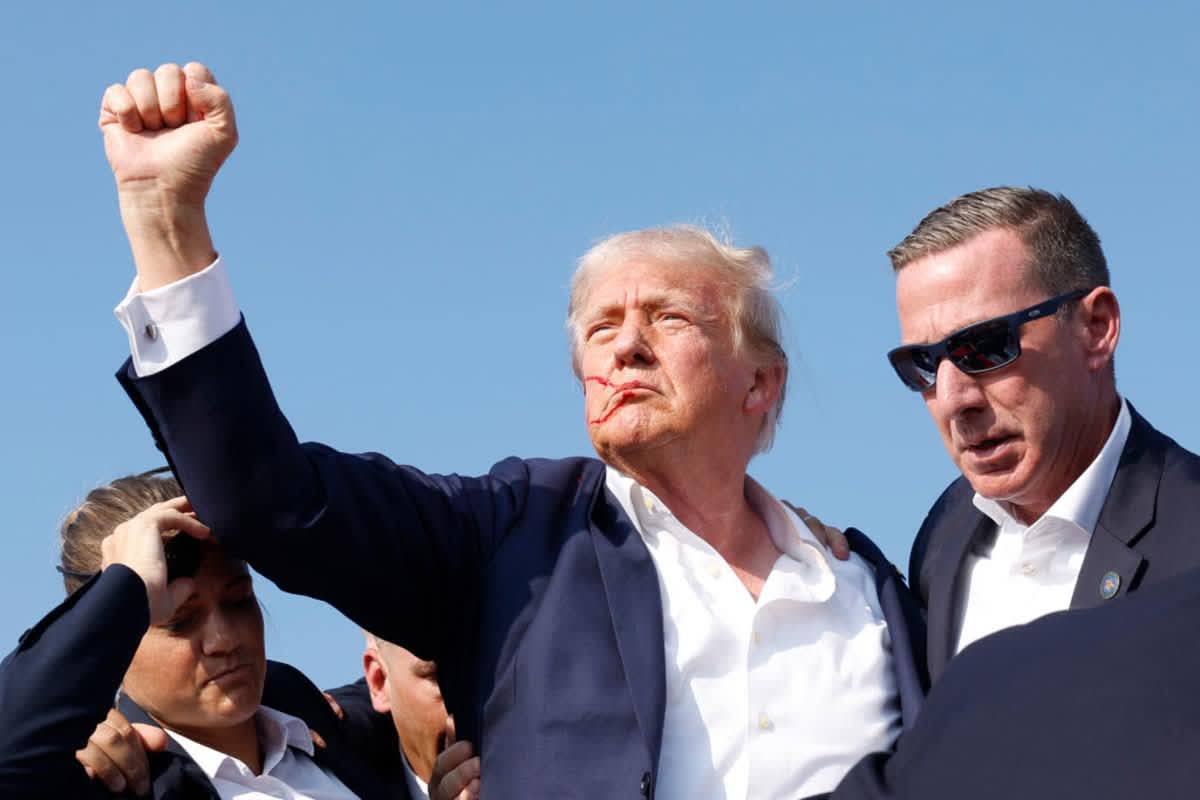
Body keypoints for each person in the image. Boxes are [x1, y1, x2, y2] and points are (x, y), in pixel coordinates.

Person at [99, 62, 927, 798]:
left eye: (668, 317)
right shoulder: (510, 537)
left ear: (761, 382)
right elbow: (272, 502)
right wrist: (167, 223)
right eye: (601, 329)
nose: (626, 345)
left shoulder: (871, 587)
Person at [885, 186, 1200, 682]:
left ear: (1096, 328)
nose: (951, 400)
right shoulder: (942, 539)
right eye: (920, 364)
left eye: (984, 346)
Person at [0, 474, 398, 799]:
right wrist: (127, 588)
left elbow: (421, 673)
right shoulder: (114, 783)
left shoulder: (320, 720)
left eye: (240, 600)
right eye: (179, 621)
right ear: (111, 639)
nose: (224, 639)